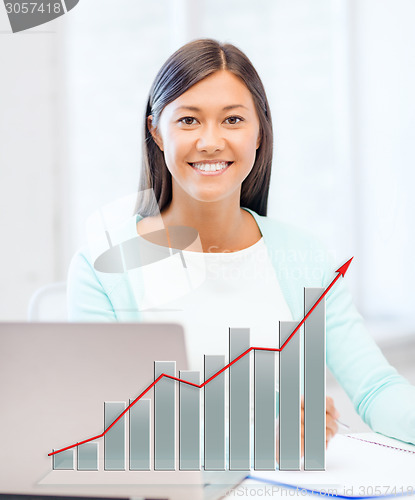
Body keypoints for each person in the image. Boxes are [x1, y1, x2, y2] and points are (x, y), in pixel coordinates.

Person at [67, 38, 415, 454]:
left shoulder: (302, 257)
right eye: (189, 121)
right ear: (156, 131)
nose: (211, 141)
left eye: (232, 120)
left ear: (259, 133)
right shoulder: (101, 269)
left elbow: (376, 388)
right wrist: (257, 439)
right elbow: (108, 428)